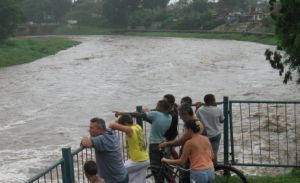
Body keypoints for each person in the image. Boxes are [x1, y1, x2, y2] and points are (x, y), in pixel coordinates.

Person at [114, 99, 171, 183]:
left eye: (157, 106)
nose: (155, 107)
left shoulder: (156, 115)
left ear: (161, 107)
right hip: (159, 146)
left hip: (152, 148)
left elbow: (138, 114)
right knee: (157, 172)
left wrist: (121, 113)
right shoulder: (169, 117)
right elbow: (147, 118)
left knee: (117, 172)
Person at [160, 104, 204, 183]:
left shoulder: (192, 126)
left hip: (192, 156)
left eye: (181, 115)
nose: (180, 118)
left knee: (185, 175)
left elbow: (180, 141)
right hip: (198, 153)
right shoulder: (196, 121)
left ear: (185, 114)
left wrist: (166, 144)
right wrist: (180, 106)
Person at [81, 117, 128, 183]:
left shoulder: (102, 140)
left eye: (91, 128)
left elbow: (86, 143)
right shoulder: (109, 132)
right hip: (123, 175)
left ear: (99, 129)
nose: (89, 130)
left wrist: (84, 139)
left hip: (115, 180)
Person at [109, 114, 149, 183]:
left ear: (125, 124)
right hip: (145, 159)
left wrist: (115, 123)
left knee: (117, 171)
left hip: (137, 161)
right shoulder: (137, 126)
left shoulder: (130, 130)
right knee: (138, 180)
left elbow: (112, 125)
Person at [196, 94, 224, 165]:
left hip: (204, 135)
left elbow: (196, 121)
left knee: (203, 153)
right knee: (214, 153)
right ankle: (213, 169)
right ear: (212, 101)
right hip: (216, 134)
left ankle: (205, 167)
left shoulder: (200, 110)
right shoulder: (218, 109)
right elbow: (222, 120)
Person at [163, 94, 179, 159]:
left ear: (169, 103)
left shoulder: (171, 115)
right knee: (171, 150)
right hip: (172, 135)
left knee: (167, 154)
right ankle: (179, 164)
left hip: (169, 137)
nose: (162, 103)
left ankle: (173, 166)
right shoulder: (174, 107)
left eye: (164, 101)